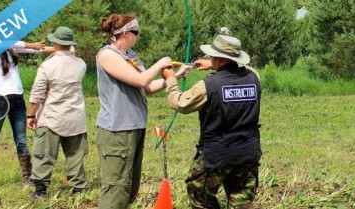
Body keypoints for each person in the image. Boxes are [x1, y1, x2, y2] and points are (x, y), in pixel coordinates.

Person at [96, 13, 187, 208]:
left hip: (135, 127)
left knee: (129, 187)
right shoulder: (107, 55)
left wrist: (175, 76)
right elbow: (141, 79)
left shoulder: (131, 57)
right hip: (117, 131)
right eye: (136, 32)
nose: (138, 36)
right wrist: (160, 63)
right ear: (126, 33)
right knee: (116, 189)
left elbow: (147, 87)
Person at [162, 34, 262, 209]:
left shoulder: (208, 85)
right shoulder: (254, 78)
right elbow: (248, 69)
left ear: (219, 58)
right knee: (242, 201)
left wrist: (170, 78)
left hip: (216, 156)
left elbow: (180, 103)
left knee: (198, 193)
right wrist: (214, 64)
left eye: (212, 56)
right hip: (248, 153)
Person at [0, 40, 49, 192]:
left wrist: (61, 49)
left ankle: (26, 178)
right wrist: (31, 44)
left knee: (21, 140)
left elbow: (36, 50)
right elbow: (10, 43)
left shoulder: (11, 49)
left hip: (17, 98)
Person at [26, 26, 88, 198]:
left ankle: (40, 191)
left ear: (54, 42)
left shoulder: (47, 66)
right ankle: (79, 189)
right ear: (70, 43)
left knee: (44, 154)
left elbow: (36, 96)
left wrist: (31, 115)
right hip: (76, 117)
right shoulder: (81, 64)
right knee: (75, 156)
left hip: (52, 117)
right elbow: (71, 53)